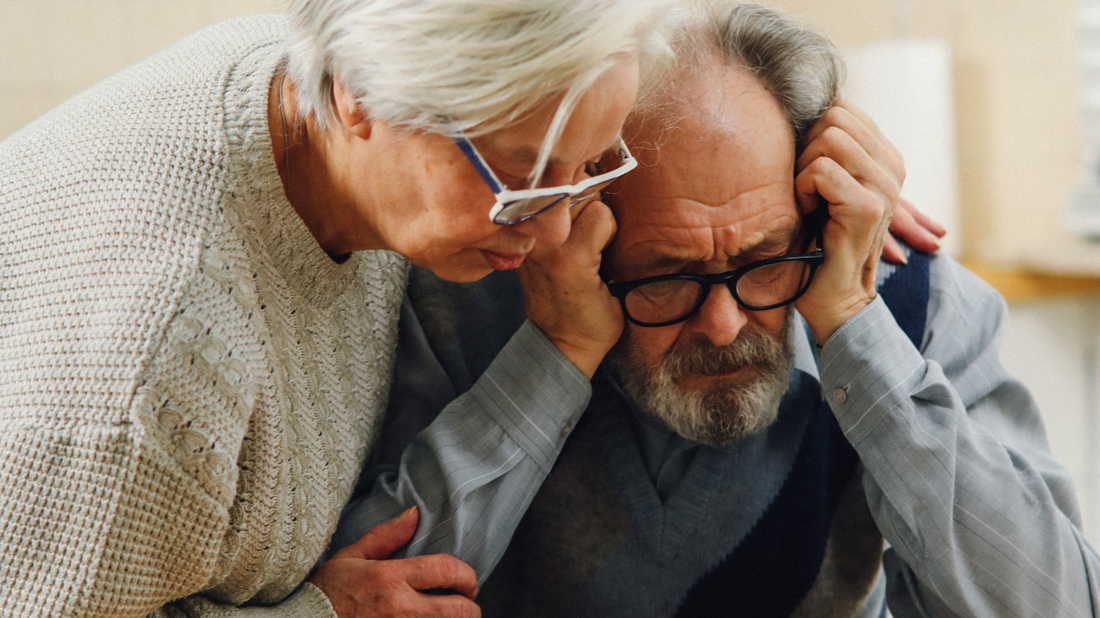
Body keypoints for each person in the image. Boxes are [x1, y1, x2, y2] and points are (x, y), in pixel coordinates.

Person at [330, 2, 1100, 616]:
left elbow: (1052, 603)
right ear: (580, 220)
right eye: (665, 277)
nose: (725, 325)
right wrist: (556, 353)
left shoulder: (907, 299)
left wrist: (859, 336)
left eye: (764, 261)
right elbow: (370, 591)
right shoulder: (469, 290)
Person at [0, 1, 680, 616]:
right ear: (358, 91)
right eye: (524, 174)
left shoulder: (295, 92)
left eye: (590, 164)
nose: (557, 232)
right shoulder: (159, 380)